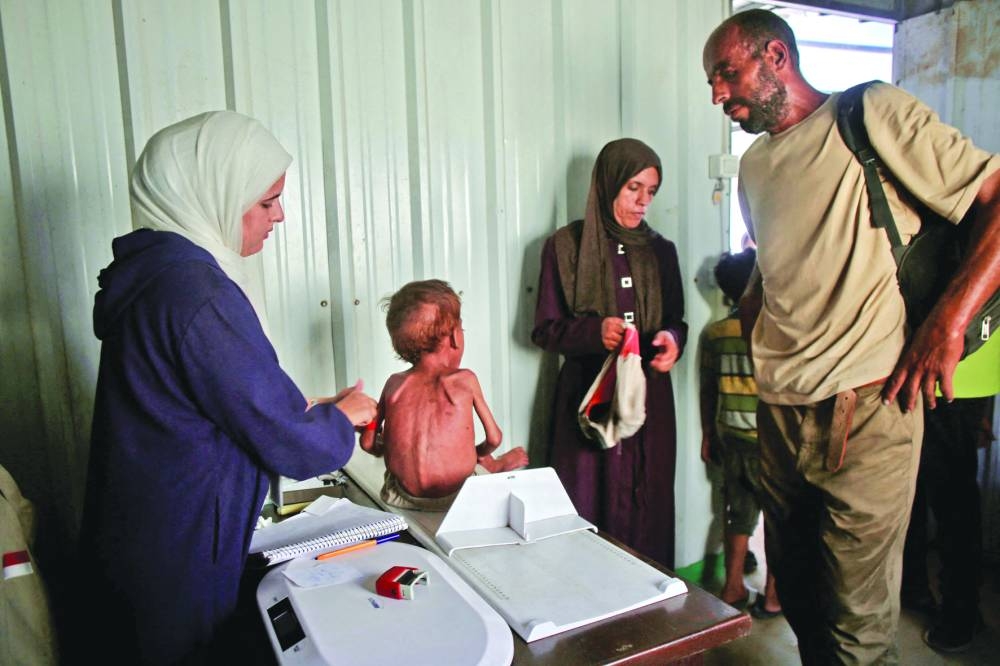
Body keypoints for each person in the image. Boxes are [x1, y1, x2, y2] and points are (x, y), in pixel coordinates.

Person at [703, 9, 1000, 663]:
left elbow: (995, 197)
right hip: (778, 417)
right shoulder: (753, 168)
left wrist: (948, 322)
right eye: (712, 84)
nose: (719, 94)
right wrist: (750, 322)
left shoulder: (869, 114)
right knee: (805, 604)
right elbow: (771, 268)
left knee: (857, 627)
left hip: (867, 410)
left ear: (775, 56)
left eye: (727, 73)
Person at [75, 111, 377, 665]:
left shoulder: (154, 277)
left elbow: (203, 399)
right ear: (213, 193)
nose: (279, 216)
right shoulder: (196, 292)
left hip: (141, 540)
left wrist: (304, 406)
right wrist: (343, 417)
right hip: (177, 555)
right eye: (266, 202)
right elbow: (294, 444)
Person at [532, 138, 687, 568]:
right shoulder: (564, 247)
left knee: (647, 504)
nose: (643, 202)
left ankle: (649, 610)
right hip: (587, 401)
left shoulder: (662, 251)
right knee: (587, 502)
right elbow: (544, 330)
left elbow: (677, 320)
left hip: (647, 400)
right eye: (633, 188)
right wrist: (591, 332)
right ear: (607, 185)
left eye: (651, 192)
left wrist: (671, 342)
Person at [360, 279, 528, 511]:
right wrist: (476, 455)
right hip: (457, 496)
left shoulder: (394, 385)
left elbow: (368, 443)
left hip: (402, 496)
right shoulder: (464, 380)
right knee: (477, 465)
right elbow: (494, 438)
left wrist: (389, 445)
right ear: (455, 338)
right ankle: (493, 466)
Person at [699, 248, 781, 619]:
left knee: (736, 515)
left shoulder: (715, 333)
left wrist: (706, 434)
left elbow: (708, 390)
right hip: (772, 443)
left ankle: (731, 587)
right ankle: (774, 597)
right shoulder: (771, 332)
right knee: (779, 523)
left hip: (731, 440)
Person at [902, 395, 994, 652]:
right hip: (947, 383)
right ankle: (914, 587)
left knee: (953, 498)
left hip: (948, 382)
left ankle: (961, 615)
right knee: (918, 485)